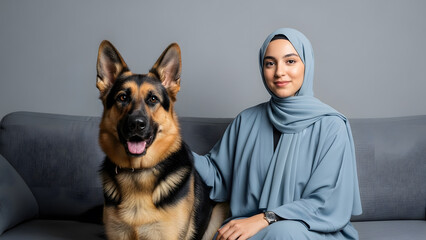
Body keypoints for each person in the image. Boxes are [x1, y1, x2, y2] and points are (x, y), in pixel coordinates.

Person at [193, 28, 362, 240]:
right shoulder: (246, 121)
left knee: (284, 233)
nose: (279, 72)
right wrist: (174, 149)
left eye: (290, 61)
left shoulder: (332, 126)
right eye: (270, 63)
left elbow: (325, 201)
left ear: (306, 65)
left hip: (310, 231)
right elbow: (217, 178)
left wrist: (265, 218)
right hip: (249, 231)